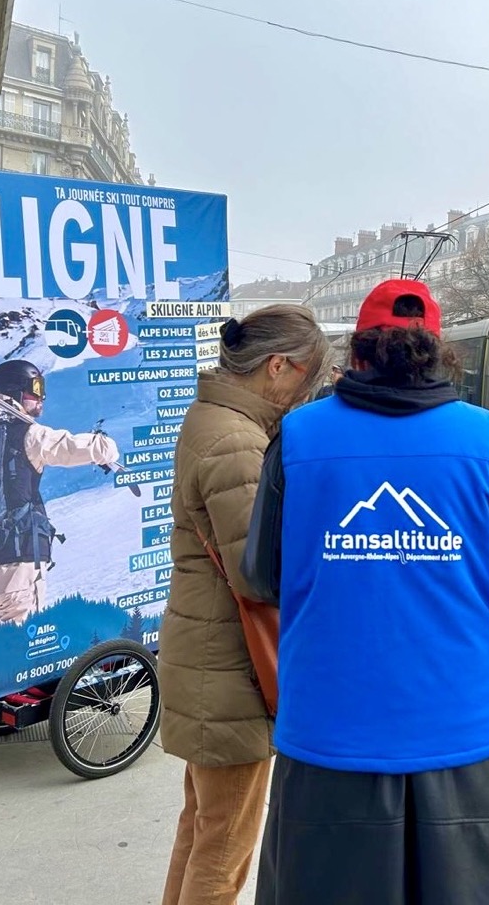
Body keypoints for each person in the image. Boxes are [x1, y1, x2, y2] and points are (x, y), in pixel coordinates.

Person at [240, 278, 489, 905]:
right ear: (440, 352)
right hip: (465, 730)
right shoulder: (488, 439)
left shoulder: (299, 437)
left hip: (331, 733)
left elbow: (263, 575)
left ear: (357, 352)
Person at [159, 305, 329, 905]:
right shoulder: (237, 443)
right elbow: (260, 575)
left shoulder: (213, 417)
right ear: (278, 366)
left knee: (202, 829)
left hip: (206, 657)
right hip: (229, 669)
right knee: (225, 849)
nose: (307, 394)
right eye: (307, 379)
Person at [0, 359, 120, 626]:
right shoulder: (27, 434)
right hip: (19, 565)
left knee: (3, 651)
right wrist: (104, 444)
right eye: (36, 388)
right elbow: (73, 448)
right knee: (27, 653)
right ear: (16, 392)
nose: (41, 397)